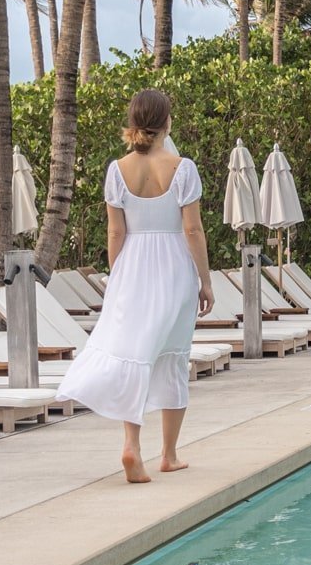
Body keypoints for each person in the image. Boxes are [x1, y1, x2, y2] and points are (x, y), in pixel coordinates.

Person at [56, 90, 214, 483]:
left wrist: (119, 276)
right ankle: (170, 455)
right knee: (173, 357)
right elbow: (192, 229)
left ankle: (132, 446)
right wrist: (205, 280)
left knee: (135, 353)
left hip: (132, 266)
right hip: (174, 267)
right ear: (167, 122)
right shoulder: (182, 168)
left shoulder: (117, 169)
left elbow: (115, 231)